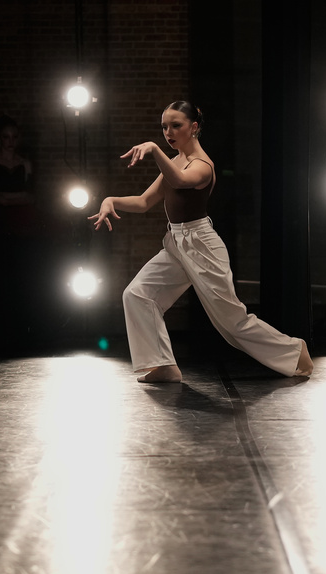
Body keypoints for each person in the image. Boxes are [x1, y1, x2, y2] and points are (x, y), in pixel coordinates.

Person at [89, 101, 313, 383]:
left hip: (201, 245)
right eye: (164, 127)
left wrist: (155, 150)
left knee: (232, 322)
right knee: (137, 295)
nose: (168, 132)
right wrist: (111, 200)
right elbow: (144, 202)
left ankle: (294, 352)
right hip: (176, 243)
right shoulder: (176, 161)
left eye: (176, 125)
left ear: (194, 127)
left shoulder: (202, 166)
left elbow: (182, 181)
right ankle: (163, 365)